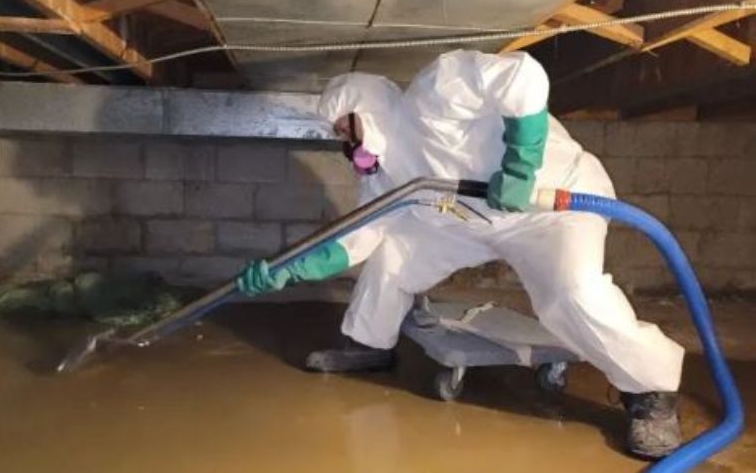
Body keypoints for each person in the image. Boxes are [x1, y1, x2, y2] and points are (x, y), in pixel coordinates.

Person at [234, 49, 684, 459]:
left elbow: (523, 77)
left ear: (359, 110)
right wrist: (288, 270)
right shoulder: (384, 177)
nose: (342, 142)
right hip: (468, 221)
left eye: (340, 129)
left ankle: (651, 392)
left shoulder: (435, 92)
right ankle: (370, 342)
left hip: (550, 203)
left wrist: (520, 166)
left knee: (570, 295)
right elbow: (359, 236)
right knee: (394, 254)